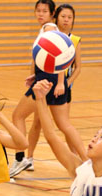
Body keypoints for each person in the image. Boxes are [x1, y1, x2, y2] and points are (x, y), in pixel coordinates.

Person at [10, 0, 87, 177]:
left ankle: (21, 158)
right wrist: (36, 75)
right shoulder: (47, 29)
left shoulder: (49, 29)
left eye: (44, 11)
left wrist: (61, 82)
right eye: (38, 11)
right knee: (62, 124)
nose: (40, 14)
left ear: (52, 14)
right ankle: (86, 162)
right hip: (46, 78)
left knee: (18, 115)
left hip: (47, 82)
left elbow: (59, 56)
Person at [27, 3, 82, 158]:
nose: (66, 20)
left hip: (62, 86)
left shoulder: (74, 40)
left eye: (69, 17)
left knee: (64, 125)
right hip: (46, 83)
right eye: (63, 16)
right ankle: (28, 157)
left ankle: (76, 156)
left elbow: (78, 67)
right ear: (57, 17)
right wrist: (33, 76)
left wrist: (66, 83)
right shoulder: (50, 34)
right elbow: (35, 59)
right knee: (38, 122)